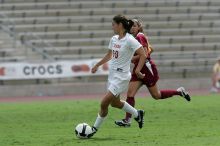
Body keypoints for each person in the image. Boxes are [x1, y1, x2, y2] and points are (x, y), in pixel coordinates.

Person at [115, 18, 191, 127]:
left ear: (139, 27)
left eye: (134, 26)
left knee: (156, 95)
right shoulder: (133, 38)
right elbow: (151, 49)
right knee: (130, 94)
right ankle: (127, 120)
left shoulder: (140, 36)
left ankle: (179, 92)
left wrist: (131, 59)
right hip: (139, 69)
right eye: (130, 26)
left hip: (147, 69)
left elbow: (144, 54)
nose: (132, 28)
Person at [88, 15, 147, 138]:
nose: (112, 27)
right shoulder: (114, 39)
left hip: (122, 77)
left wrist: (137, 70)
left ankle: (93, 129)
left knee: (104, 103)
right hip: (112, 75)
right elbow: (109, 55)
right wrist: (97, 65)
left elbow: (143, 55)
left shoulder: (130, 40)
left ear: (120, 25)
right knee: (114, 103)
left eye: (113, 24)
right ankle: (138, 114)